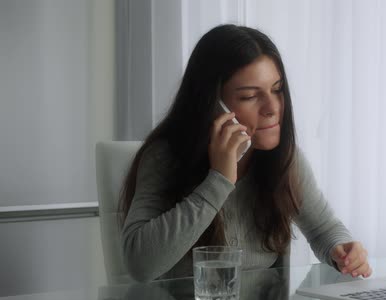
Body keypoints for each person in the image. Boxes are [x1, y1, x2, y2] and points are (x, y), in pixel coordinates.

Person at [118, 24, 372, 282]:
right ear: (212, 105)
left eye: (277, 89)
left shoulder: (285, 158)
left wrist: (342, 249)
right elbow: (141, 265)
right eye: (250, 96)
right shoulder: (164, 157)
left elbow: (323, 229)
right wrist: (219, 179)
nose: (272, 108)